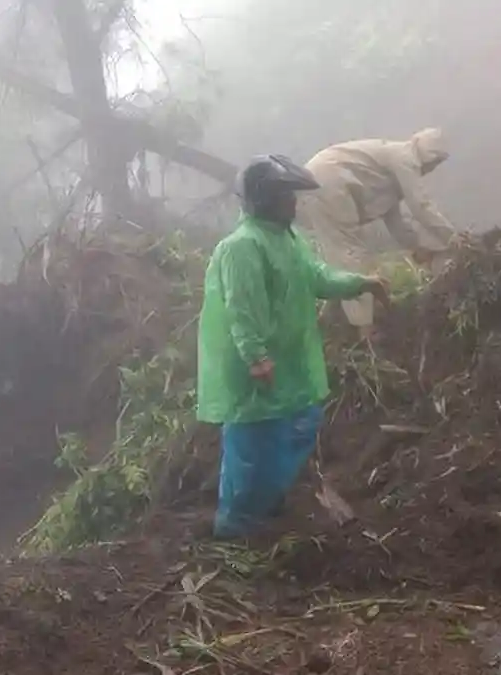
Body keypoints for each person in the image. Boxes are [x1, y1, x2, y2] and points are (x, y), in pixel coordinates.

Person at [196, 154, 390, 539]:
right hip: (255, 368)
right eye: (286, 195)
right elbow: (242, 307)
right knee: (253, 447)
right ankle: (236, 529)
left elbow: (317, 277)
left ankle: (268, 506)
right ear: (264, 199)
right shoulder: (243, 246)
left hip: (289, 362)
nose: (294, 203)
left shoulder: (289, 239)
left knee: (299, 425)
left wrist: (359, 283)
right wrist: (256, 357)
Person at [299, 129, 459, 327]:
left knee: (339, 254)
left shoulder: (392, 165)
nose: (433, 168)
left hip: (321, 180)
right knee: (350, 255)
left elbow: (394, 220)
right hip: (330, 182)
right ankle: (363, 327)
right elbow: (421, 206)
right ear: (429, 155)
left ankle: (334, 316)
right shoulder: (406, 159)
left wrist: (416, 247)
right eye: (435, 162)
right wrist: (454, 238)